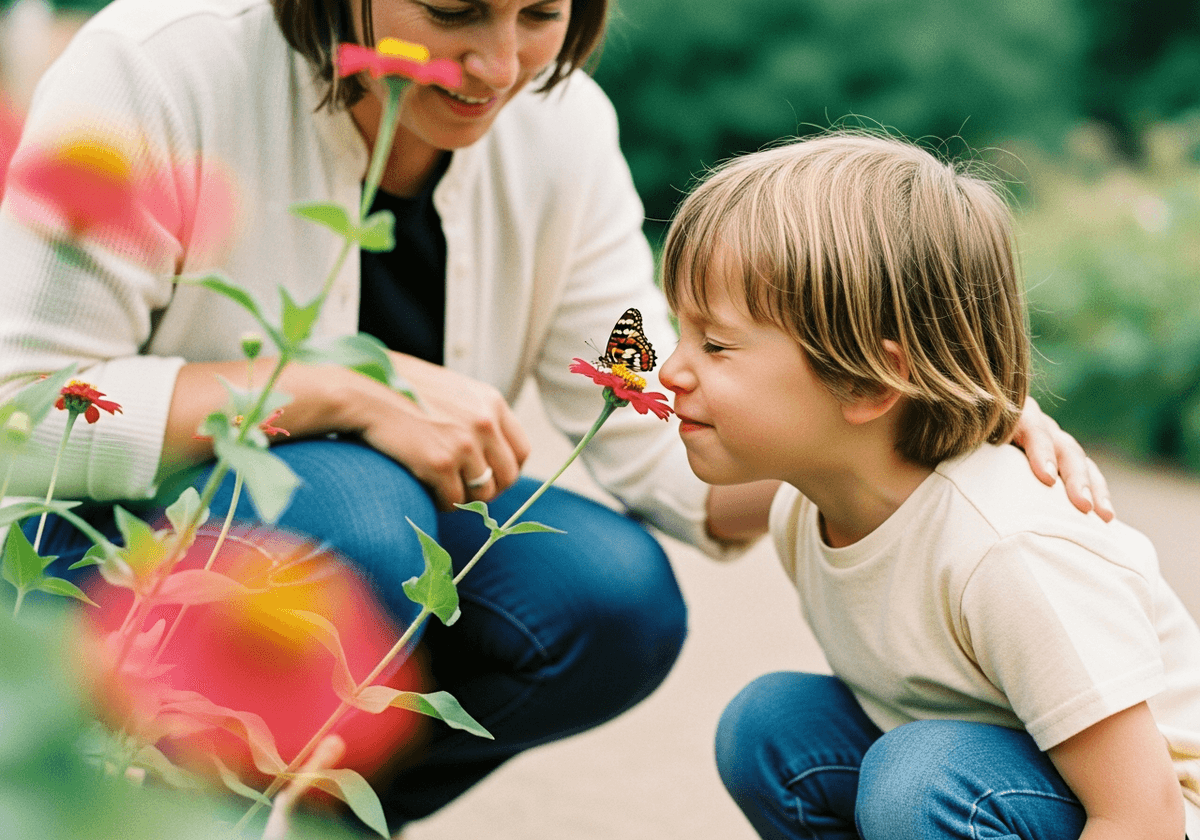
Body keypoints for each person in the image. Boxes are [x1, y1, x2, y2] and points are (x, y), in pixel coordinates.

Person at [0, 0, 1110, 832]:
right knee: (362, 512)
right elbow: (20, 411)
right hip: (105, 540)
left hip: (389, 536)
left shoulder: (562, 122)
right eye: (453, 12)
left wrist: (915, 432)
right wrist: (336, 381)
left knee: (610, 595)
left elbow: (633, 381)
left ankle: (316, 824)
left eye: (541, 14)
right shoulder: (154, 72)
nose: (497, 65)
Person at [657, 131, 1200, 840]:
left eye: (715, 345)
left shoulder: (1008, 548)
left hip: (1159, 812)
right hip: (997, 778)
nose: (670, 372)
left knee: (922, 778)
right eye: (681, 334)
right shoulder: (809, 494)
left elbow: (1141, 816)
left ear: (865, 381)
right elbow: (654, 487)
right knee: (772, 727)